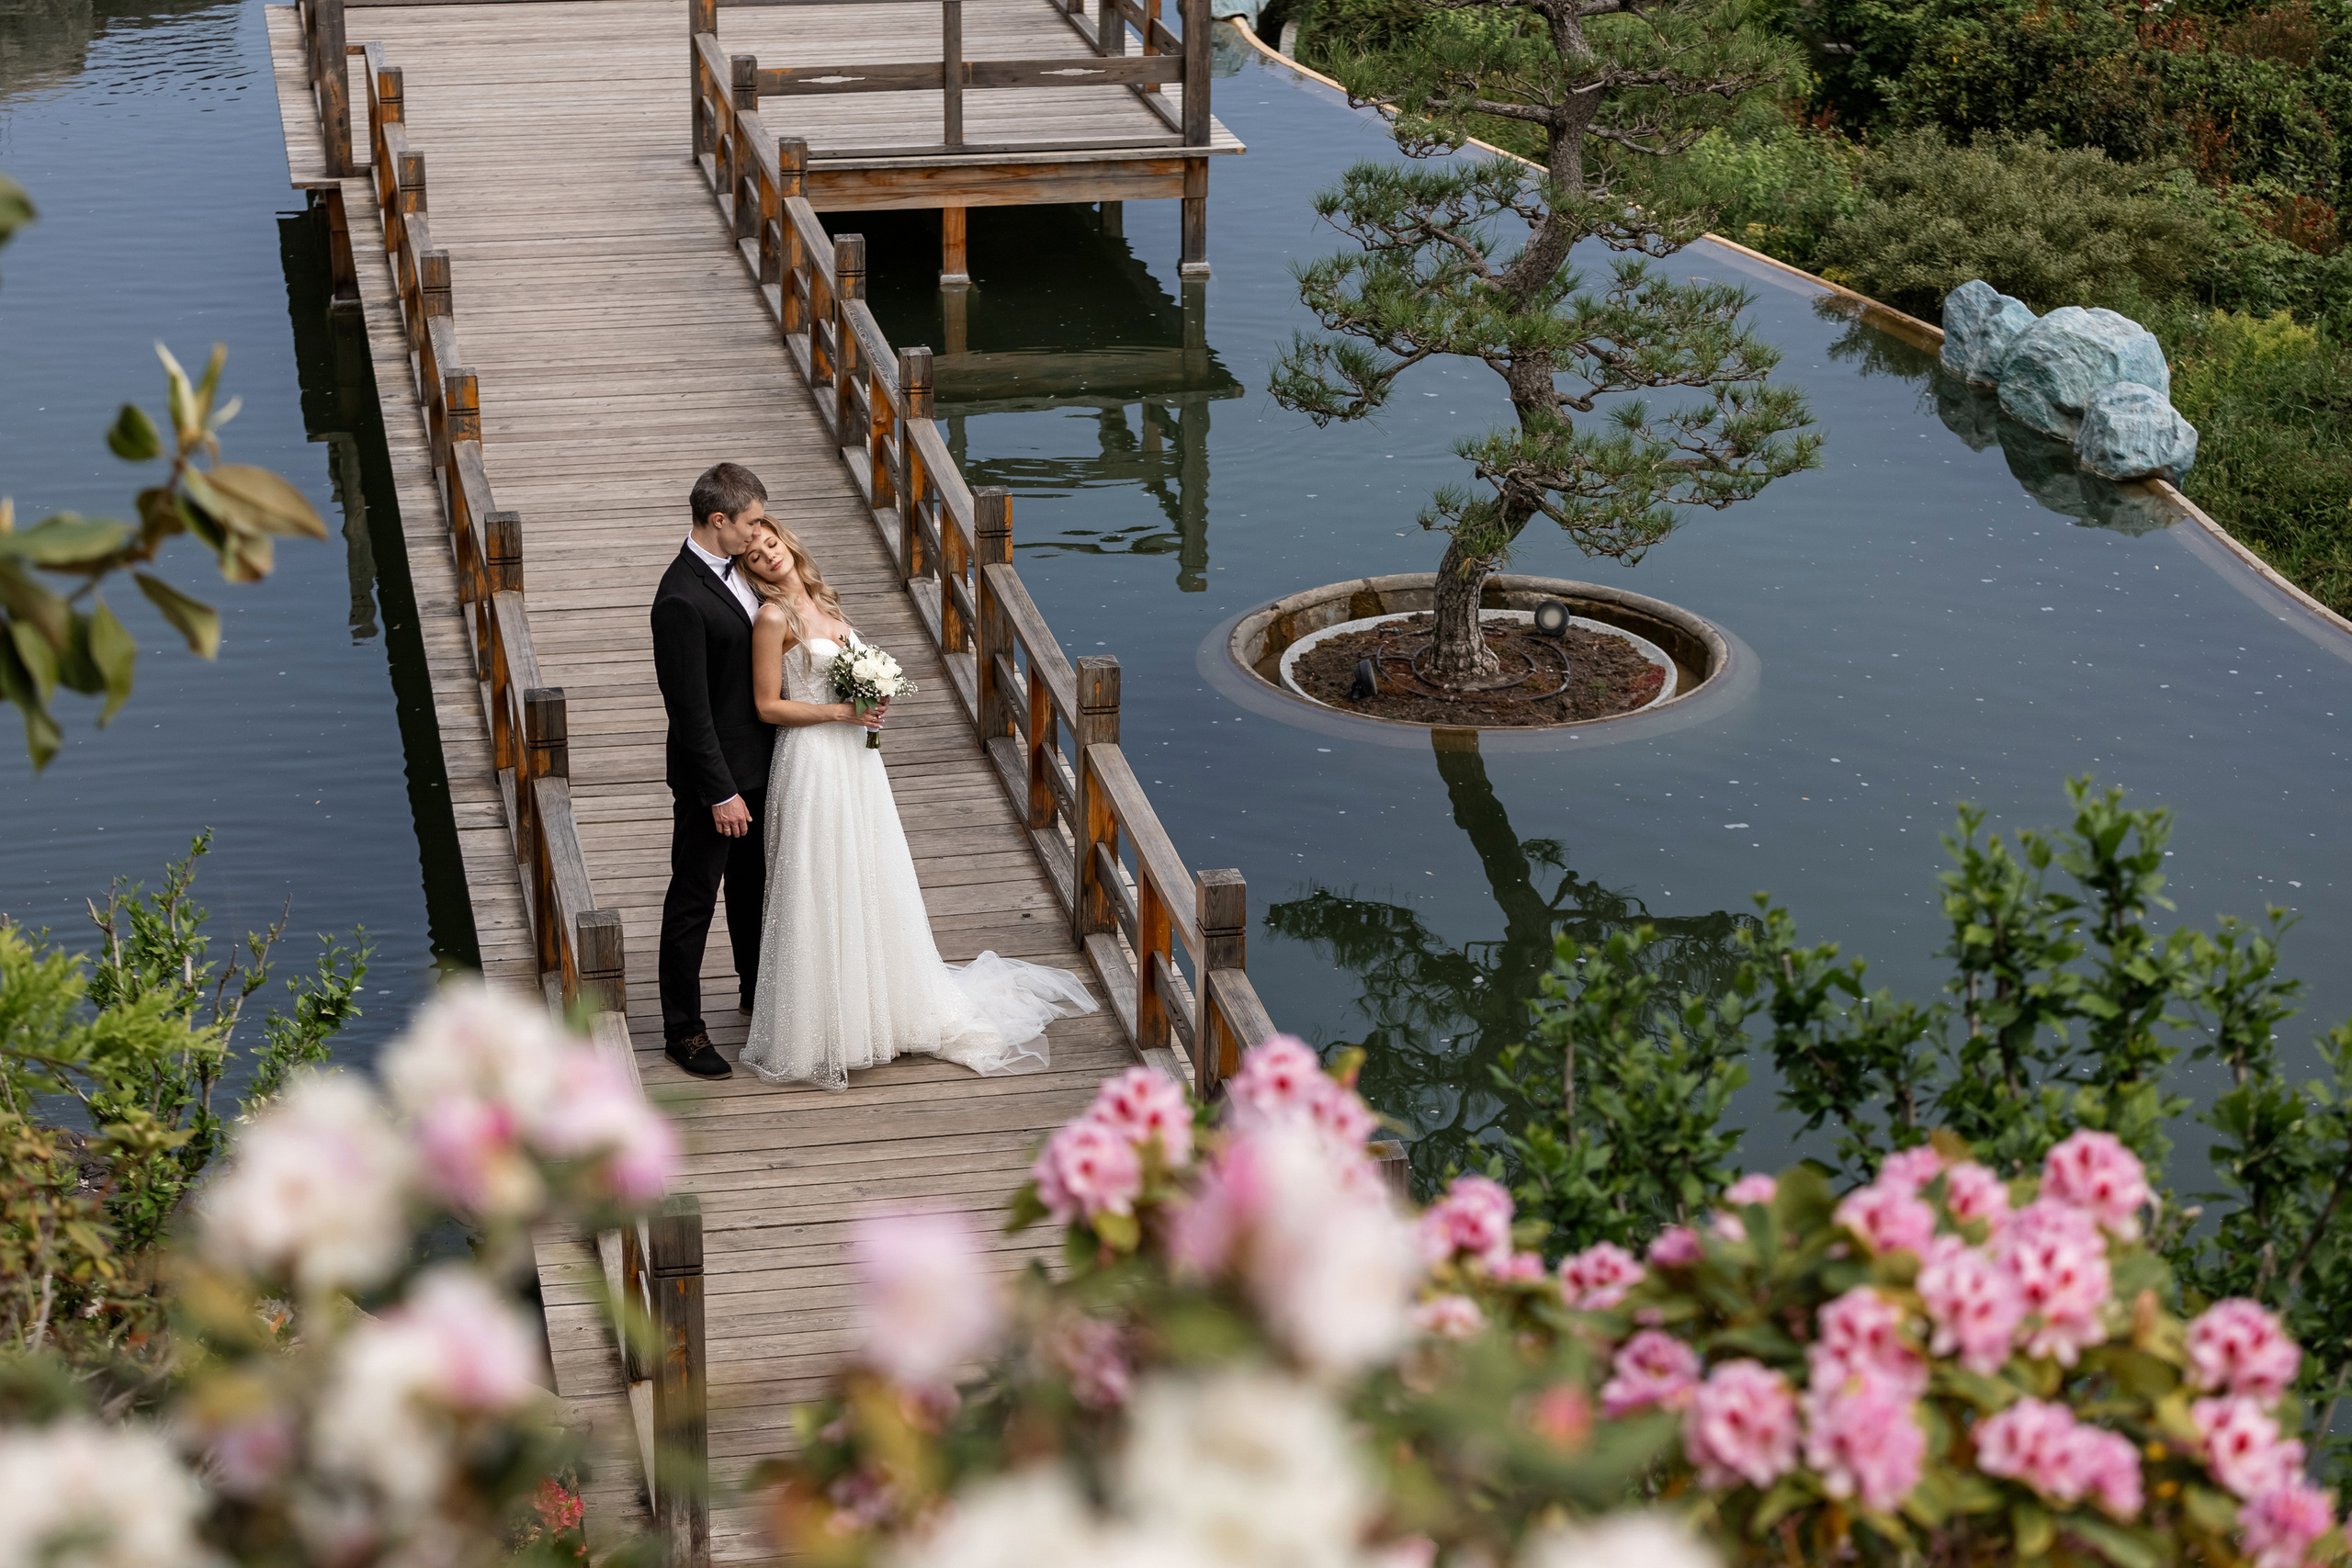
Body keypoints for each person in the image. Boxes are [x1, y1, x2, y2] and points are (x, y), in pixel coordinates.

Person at [732, 520, 1097, 1090]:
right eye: (754, 558)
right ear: (750, 571)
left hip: (856, 757)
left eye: (771, 546)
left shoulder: (824, 601)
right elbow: (767, 706)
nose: (767, 559)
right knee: (820, 876)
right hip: (812, 758)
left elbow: (844, 679)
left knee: (870, 870)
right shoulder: (772, 619)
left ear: (787, 543)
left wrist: (870, 700)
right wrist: (838, 713)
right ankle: (830, 1025)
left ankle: (883, 1006)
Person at [650, 463, 777, 1079]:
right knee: (695, 897)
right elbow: (690, 711)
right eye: (751, 522)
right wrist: (720, 791)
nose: (760, 533)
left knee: (752, 888)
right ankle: (683, 1028)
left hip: (761, 766)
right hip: (715, 781)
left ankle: (755, 990)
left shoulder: (742, 573)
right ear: (718, 519)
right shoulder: (679, 597)